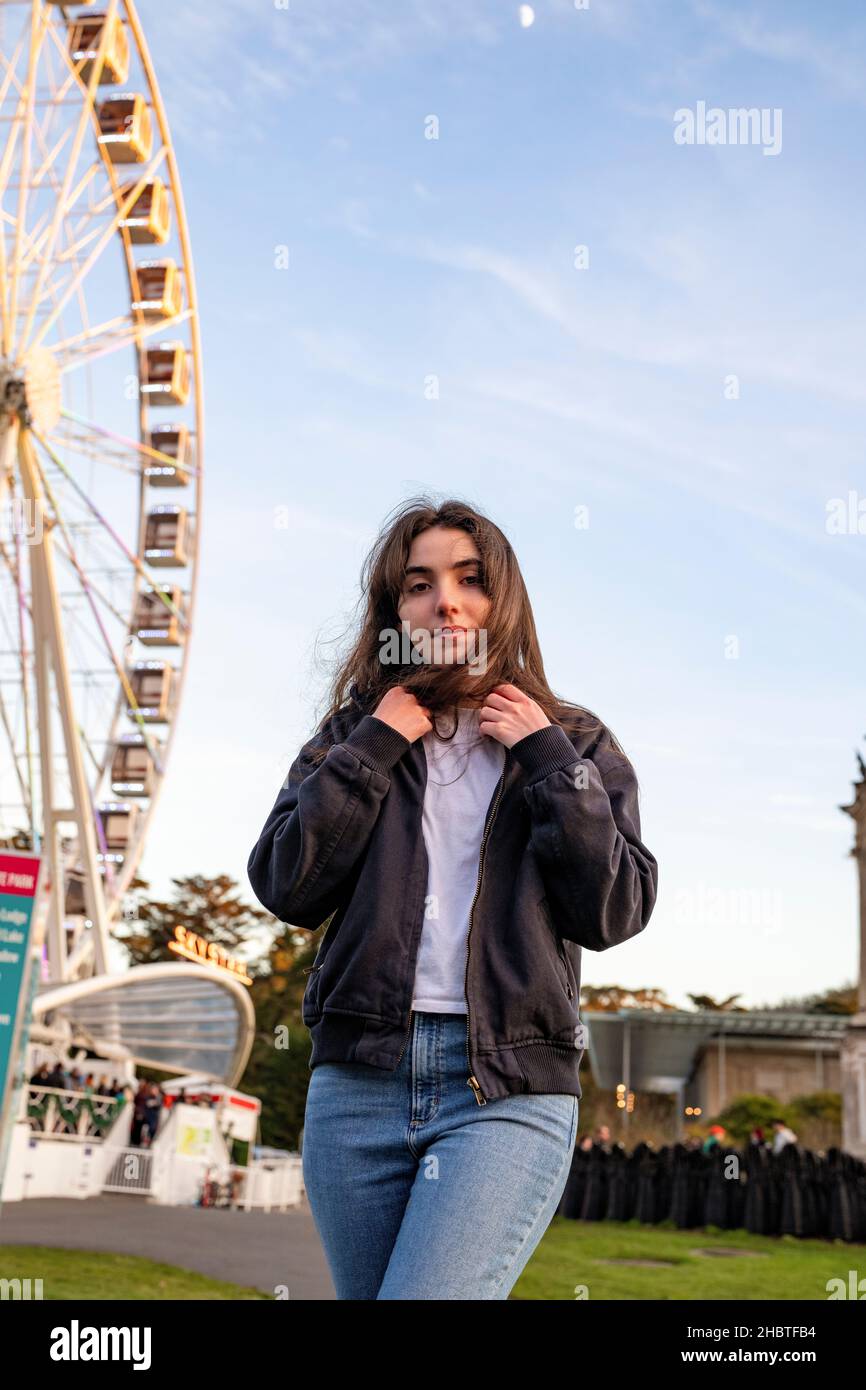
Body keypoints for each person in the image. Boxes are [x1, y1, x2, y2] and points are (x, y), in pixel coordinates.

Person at [247, 496, 659, 1300]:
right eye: (420, 583)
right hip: (358, 1085)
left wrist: (542, 756)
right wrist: (374, 746)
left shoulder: (573, 742)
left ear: (503, 598)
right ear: (393, 610)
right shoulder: (350, 736)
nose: (447, 600)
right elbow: (286, 883)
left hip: (502, 1088)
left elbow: (614, 908)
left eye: (471, 580)